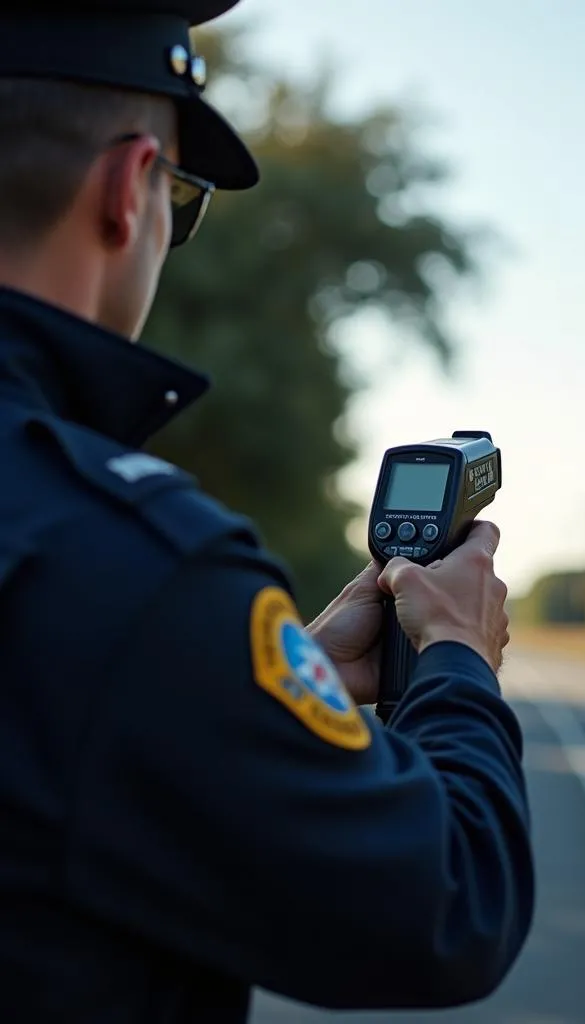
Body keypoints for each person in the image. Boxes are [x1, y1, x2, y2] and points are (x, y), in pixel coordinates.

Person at [0, 1, 534, 1021]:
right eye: (182, 202)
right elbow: (448, 904)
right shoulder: (139, 572)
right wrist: (458, 661)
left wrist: (279, 686)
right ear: (127, 192)